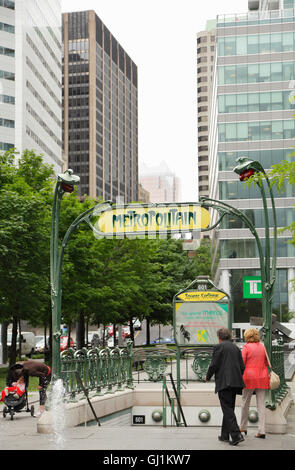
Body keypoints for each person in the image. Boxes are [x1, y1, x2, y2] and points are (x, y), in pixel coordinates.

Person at [205, 327, 245, 446]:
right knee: (229, 408)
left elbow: (214, 365)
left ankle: (236, 435)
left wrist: (208, 376)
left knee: (227, 409)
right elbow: (242, 367)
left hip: (224, 383)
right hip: (235, 383)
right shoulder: (236, 348)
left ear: (219, 337)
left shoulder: (218, 347)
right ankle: (224, 435)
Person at [240, 328, 270, 439]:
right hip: (262, 376)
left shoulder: (246, 347)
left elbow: (242, 363)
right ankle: (262, 430)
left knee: (245, 402)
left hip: (249, 377)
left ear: (247, 336)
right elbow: (266, 362)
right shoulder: (262, 347)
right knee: (261, 404)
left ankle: (243, 427)